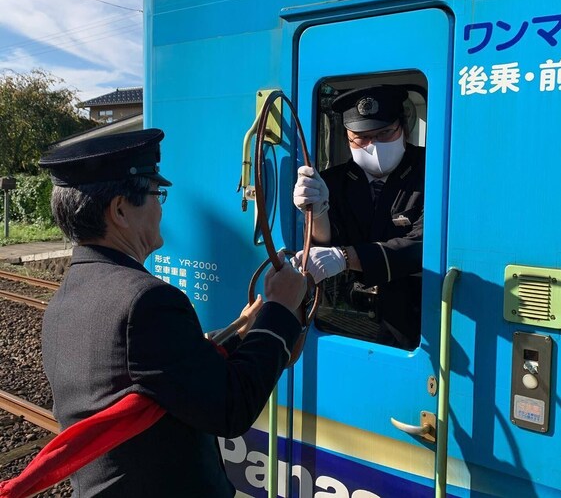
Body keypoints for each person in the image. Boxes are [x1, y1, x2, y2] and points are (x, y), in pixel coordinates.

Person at [38, 128, 306, 497]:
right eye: (155, 194)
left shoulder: (68, 297)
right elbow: (231, 408)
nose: (161, 207)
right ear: (120, 210)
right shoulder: (145, 301)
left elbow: (157, 377)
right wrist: (280, 309)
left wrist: (241, 332)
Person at [292, 85, 424, 349]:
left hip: (414, 321)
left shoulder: (431, 170)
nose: (373, 146)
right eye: (361, 138)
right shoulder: (332, 181)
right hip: (343, 320)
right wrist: (316, 213)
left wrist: (346, 257)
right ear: (347, 137)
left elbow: (423, 246)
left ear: (403, 128)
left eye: (385, 133)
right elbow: (330, 239)